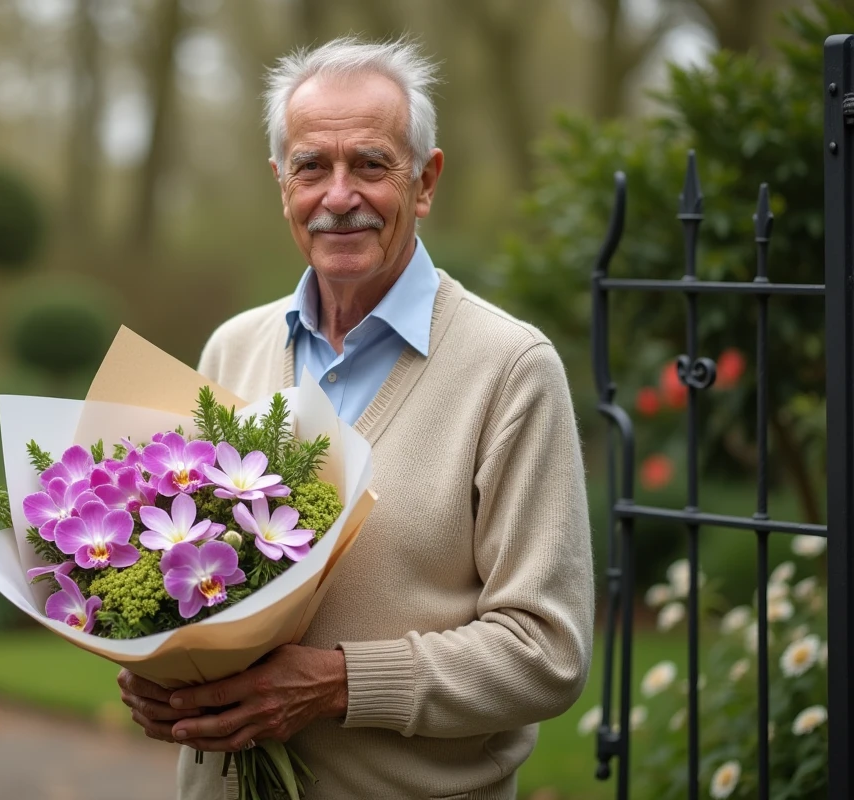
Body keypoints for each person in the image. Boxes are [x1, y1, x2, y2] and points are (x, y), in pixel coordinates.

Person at [118, 36, 594, 800]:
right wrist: (151, 667)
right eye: (313, 167)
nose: (339, 196)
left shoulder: (510, 369)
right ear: (282, 184)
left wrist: (339, 684)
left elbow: (546, 652)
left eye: (371, 164)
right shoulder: (232, 348)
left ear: (426, 180)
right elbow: (173, 567)